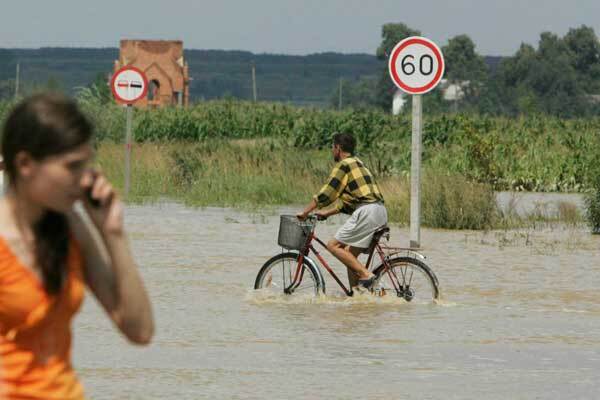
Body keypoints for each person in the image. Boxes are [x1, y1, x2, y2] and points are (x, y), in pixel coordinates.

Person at [0, 93, 154, 399]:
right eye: (72, 167)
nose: (84, 179)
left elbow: (139, 330)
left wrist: (113, 234)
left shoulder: (71, 229)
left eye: (86, 165)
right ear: (25, 164)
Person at [297, 132, 388, 291]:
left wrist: (305, 212)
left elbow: (327, 193)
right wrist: (327, 213)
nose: (332, 151)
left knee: (333, 246)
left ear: (338, 148)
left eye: (333, 147)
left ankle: (367, 275)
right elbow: (349, 201)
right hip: (379, 210)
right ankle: (357, 296)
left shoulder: (344, 164)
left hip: (367, 211)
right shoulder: (358, 163)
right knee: (349, 256)